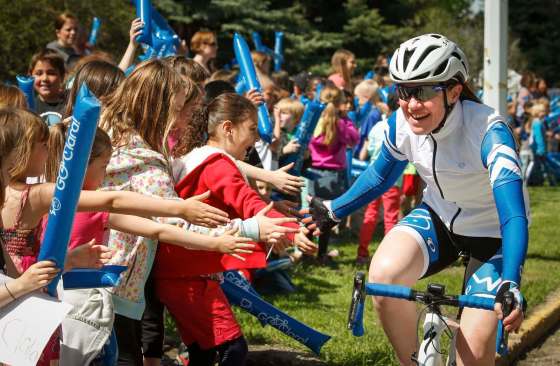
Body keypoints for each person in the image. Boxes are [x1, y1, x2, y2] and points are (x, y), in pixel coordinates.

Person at [307, 34, 529, 365]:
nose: (411, 104)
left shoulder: (487, 133)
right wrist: (333, 211)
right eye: (404, 91)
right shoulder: (402, 123)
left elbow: (513, 216)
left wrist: (510, 281)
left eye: (424, 92)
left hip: (494, 234)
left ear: (454, 91)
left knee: (473, 355)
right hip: (439, 218)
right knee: (383, 275)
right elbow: (380, 175)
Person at [154, 93, 315, 366]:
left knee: (203, 351)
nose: (255, 139)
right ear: (228, 128)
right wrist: (290, 230)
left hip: (179, 270)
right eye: (252, 129)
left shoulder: (201, 157)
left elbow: (244, 198)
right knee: (233, 349)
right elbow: (246, 200)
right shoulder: (217, 164)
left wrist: (278, 215)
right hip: (190, 274)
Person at [308, 84, 359, 264]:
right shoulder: (341, 123)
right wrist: (346, 120)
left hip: (313, 173)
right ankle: (321, 254)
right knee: (327, 216)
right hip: (333, 175)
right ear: (339, 104)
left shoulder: (315, 119)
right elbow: (354, 140)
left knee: (312, 213)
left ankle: (307, 251)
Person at [29, 49, 67, 125]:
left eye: (51, 73)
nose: (44, 78)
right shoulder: (27, 107)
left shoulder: (71, 105)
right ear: (30, 76)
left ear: (62, 76)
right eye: (39, 73)